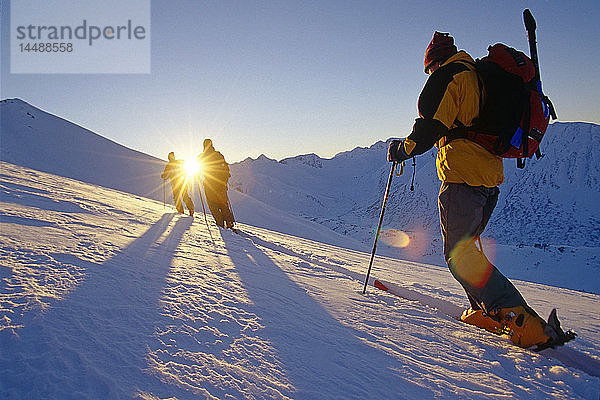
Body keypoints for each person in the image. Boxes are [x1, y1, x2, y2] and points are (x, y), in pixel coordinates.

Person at [387, 32, 567, 349]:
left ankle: (522, 321)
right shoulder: (478, 76)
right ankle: (489, 310)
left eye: (428, 69)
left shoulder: (449, 76)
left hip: (463, 176)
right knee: (468, 249)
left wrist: (402, 149)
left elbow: (431, 127)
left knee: (460, 255)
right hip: (488, 180)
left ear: (432, 62)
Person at [197, 139, 235, 229]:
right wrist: (224, 181)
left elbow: (197, 167)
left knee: (213, 204)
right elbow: (226, 168)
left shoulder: (202, 157)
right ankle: (229, 222)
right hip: (221, 184)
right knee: (223, 203)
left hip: (209, 185)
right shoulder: (218, 155)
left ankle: (220, 223)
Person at [161, 151, 194, 216]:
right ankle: (190, 209)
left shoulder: (169, 165)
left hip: (176, 183)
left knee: (177, 197)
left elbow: (166, 175)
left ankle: (181, 211)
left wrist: (164, 176)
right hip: (182, 182)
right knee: (184, 196)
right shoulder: (178, 162)